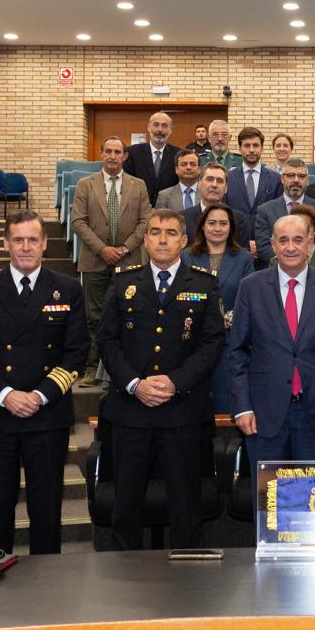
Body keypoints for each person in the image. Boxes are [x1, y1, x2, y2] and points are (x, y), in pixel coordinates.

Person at [0, 210, 87, 554]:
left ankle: (44, 588)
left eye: (33, 240)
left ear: (44, 243)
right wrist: (6, 395)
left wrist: (39, 396)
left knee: (46, 510)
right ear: (6, 244)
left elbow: (76, 354)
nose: (26, 247)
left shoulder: (68, 289)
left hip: (47, 415)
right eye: (18, 240)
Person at [95, 209, 225, 549]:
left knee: (186, 505)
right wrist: (135, 384)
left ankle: (187, 582)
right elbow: (107, 341)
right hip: (130, 412)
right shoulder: (124, 281)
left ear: (184, 240)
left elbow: (213, 343)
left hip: (182, 412)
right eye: (154, 232)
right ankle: (126, 581)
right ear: (146, 239)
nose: (162, 239)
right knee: (126, 506)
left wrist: (175, 382)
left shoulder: (203, 283)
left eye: (170, 232)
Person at [229, 213, 315, 477]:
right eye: (284, 240)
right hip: (263, 415)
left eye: (298, 240)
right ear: (273, 244)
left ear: (310, 243)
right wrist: (242, 407)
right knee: (270, 505)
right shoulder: (250, 287)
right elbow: (237, 352)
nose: (291, 247)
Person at [71, 137, 150, 382]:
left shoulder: (139, 185)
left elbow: (146, 221)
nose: (113, 156)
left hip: (129, 261)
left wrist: (125, 248)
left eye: (118, 152)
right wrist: (102, 249)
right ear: (101, 153)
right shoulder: (86, 184)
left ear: (125, 156)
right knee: (94, 316)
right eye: (108, 151)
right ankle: (93, 367)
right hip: (95, 260)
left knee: (129, 313)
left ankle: (123, 368)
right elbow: (78, 221)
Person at [184, 204, 254, 416]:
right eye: (212, 223)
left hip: (229, 339)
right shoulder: (186, 256)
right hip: (194, 340)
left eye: (223, 223)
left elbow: (249, 297)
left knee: (226, 400)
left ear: (231, 228)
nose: (217, 228)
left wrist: (228, 318)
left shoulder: (243, 258)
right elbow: (182, 293)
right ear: (202, 227)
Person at [254, 157, 315, 264]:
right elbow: (263, 248)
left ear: (307, 180)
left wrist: (303, 266)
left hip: (312, 273)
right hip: (277, 273)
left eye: (301, 176)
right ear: (282, 179)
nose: (296, 180)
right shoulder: (265, 211)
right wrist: (288, 264)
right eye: (291, 175)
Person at [225, 126, 283, 235]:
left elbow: (277, 215)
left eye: (255, 145)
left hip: (266, 241)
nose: (251, 150)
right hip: (236, 241)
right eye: (247, 145)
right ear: (240, 148)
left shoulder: (275, 179)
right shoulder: (228, 178)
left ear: (262, 148)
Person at [185, 162, 250, 247]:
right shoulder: (183, 218)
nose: (214, 185)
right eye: (209, 179)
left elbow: (243, 256)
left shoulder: (238, 220)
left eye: (220, 181)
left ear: (226, 188)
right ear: (199, 184)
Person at [127, 111, 179, 203]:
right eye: (156, 125)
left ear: (170, 130)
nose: (160, 129)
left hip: (168, 209)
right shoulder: (132, 153)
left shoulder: (178, 154)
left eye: (164, 126)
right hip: (139, 207)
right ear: (148, 127)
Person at [154, 147, 204, 212]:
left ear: (199, 169)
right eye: (184, 164)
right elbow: (159, 221)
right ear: (176, 169)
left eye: (193, 164)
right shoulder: (164, 196)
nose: (188, 167)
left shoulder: (208, 193)